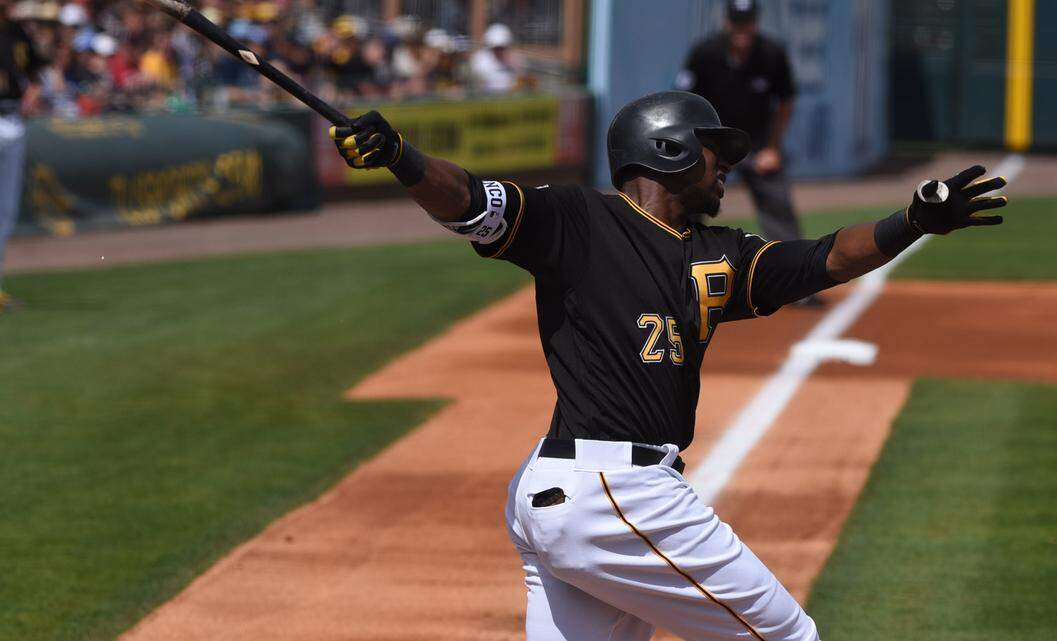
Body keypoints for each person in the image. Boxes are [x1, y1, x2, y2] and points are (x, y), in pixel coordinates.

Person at [329, 90, 1007, 640]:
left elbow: (827, 257)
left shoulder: (717, 253)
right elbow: (472, 202)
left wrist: (913, 219)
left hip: (565, 493)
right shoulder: (577, 219)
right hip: (614, 492)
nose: (726, 167)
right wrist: (401, 157)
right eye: (715, 152)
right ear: (669, 149)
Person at [677, 0, 813, 301]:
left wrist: (774, 148)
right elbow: (685, 101)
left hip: (755, 146)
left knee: (778, 207)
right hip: (712, 147)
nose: (742, 30)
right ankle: (676, 276)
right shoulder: (705, 53)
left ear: (756, 23)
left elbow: (786, 102)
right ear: (727, 23)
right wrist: (695, 149)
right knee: (688, 205)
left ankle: (796, 285)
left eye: (747, 23)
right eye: (736, 23)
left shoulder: (771, 55)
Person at [0, 0, 44, 313]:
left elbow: (36, 71)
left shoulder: (16, 31)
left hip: (13, 120)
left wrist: (33, 91)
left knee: (5, 211)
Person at [469, 23, 519, 94]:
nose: (500, 51)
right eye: (497, 48)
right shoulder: (480, 60)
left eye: (502, 48)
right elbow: (487, 83)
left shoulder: (511, 60)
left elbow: (516, 80)